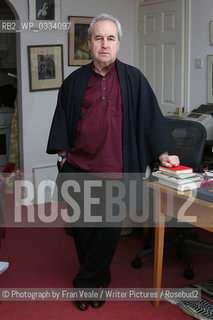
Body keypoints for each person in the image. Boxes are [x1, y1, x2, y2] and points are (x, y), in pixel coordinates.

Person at [46, 13, 179, 311]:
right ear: (89, 43)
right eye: (98, 38)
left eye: (111, 38)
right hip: (78, 169)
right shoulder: (74, 82)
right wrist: (62, 156)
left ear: (119, 44)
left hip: (117, 171)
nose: (104, 44)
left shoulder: (134, 79)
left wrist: (163, 152)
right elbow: (62, 124)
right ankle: (99, 277)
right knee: (82, 230)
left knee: (106, 231)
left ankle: (86, 286)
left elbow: (151, 120)